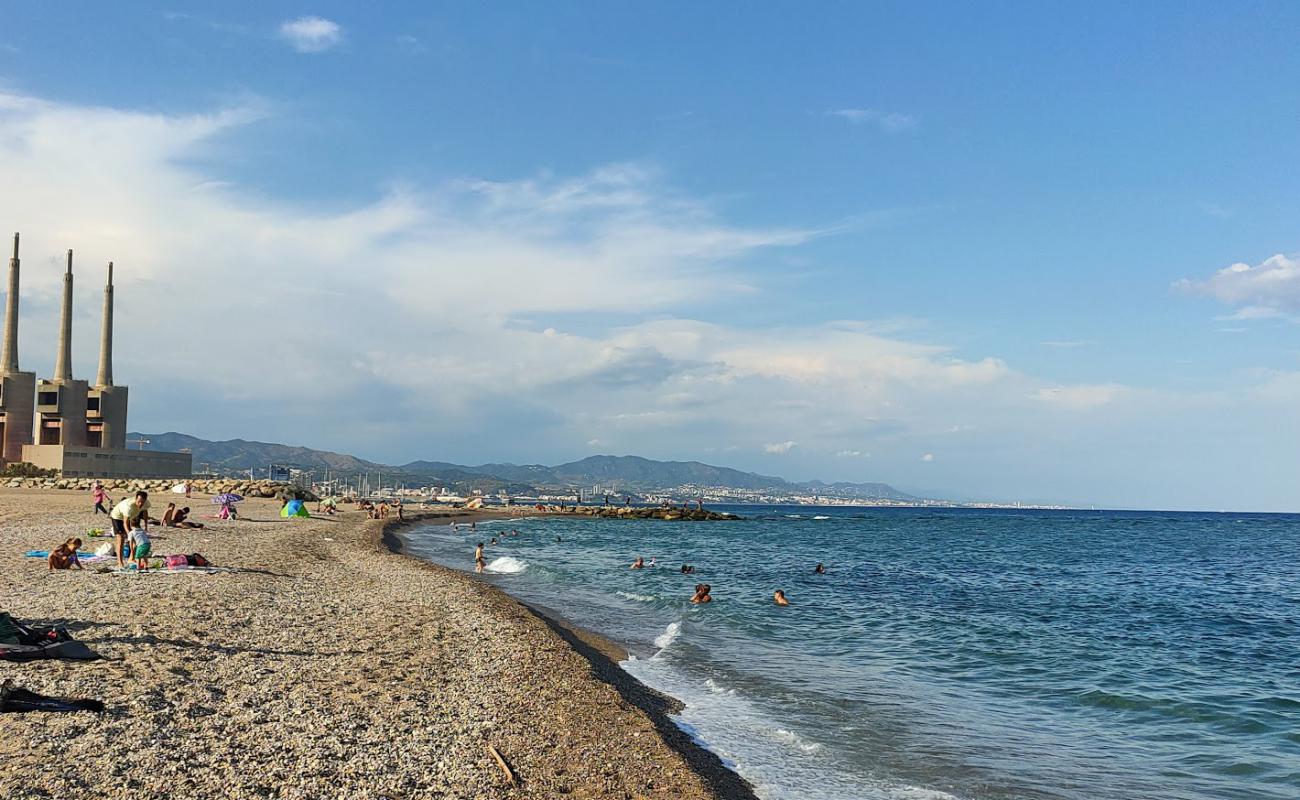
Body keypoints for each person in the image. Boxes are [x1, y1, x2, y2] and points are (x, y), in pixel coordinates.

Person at [110, 491, 150, 569]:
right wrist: (129, 534)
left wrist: (145, 526)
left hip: (131, 516)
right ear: (135, 499)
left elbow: (145, 513)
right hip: (117, 517)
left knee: (136, 539)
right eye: (138, 502)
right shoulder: (128, 506)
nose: (140, 504)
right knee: (121, 539)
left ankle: (131, 558)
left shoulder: (146, 504)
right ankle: (120, 563)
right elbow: (125, 523)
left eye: (142, 502)